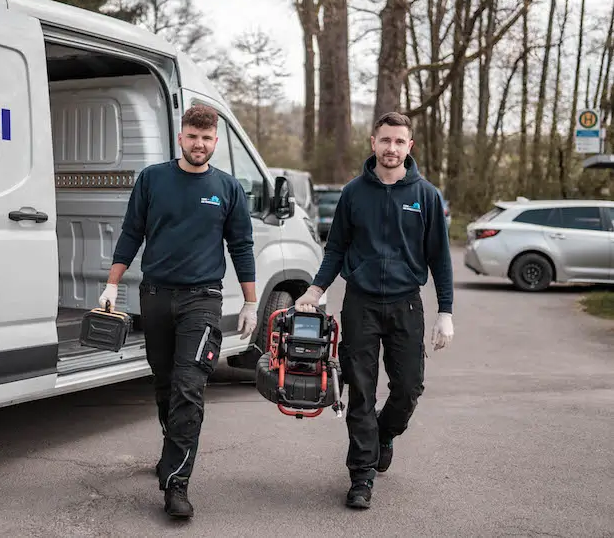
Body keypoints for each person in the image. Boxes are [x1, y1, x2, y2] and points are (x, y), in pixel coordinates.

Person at [99, 104, 258, 519]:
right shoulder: (153, 179)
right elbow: (132, 231)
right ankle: (173, 452)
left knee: (189, 388)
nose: (199, 144)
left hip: (203, 300)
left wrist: (251, 302)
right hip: (155, 295)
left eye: (207, 138)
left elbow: (241, 246)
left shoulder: (228, 188)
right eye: (193, 136)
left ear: (216, 142)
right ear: (181, 137)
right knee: (165, 384)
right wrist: (112, 284)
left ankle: (176, 484)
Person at [295, 111, 454, 510]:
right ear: (373, 142)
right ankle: (361, 476)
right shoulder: (353, 193)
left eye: (400, 142)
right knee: (361, 391)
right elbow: (336, 249)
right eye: (385, 140)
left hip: (406, 305)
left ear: (409, 147)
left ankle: (383, 435)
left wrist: (446, 312)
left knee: (408, 388)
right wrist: (316, 289)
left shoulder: (426, 196)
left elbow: (441, 259)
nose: (391, 148)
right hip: (361, 304)